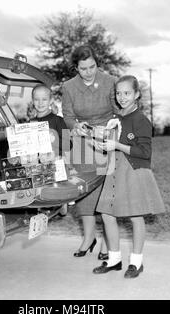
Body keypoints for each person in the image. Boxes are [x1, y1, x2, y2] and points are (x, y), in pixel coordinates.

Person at [92, 75, 165, 278]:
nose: (122, 97)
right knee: (106, 214)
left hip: (133, 171)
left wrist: (116, 145)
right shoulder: (117, 119)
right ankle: (114, 260)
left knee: (135, 216)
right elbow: (113, 144)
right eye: (118, 93)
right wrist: (104, 146)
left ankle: (136, 263)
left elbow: (144, 152)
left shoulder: (141, 120)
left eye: (127, 93)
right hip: (115, 170)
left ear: (137, 95)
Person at [61, 45, 118, 259]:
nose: (89, 72)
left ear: (97, 63)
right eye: (83, 68)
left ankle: (106, 241)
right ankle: (89, 237)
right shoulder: (68, 87)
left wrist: (113, 123)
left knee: (106, 189)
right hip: (81, 140)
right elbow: (67, 115)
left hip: (106, 139)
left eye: (92, 66)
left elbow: (119, 108)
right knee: (83, 189)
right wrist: (74, 126)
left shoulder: (110, 81)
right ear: (76, 68)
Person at [29, 84, 71, 157]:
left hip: (56, 165)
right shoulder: (30, 123)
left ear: (50, 100)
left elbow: (69, 145)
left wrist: (54, 139)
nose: (40, 103)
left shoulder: (58, 120)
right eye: (36, 99)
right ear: (32, 101)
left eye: (44, 99)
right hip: (37, 166)